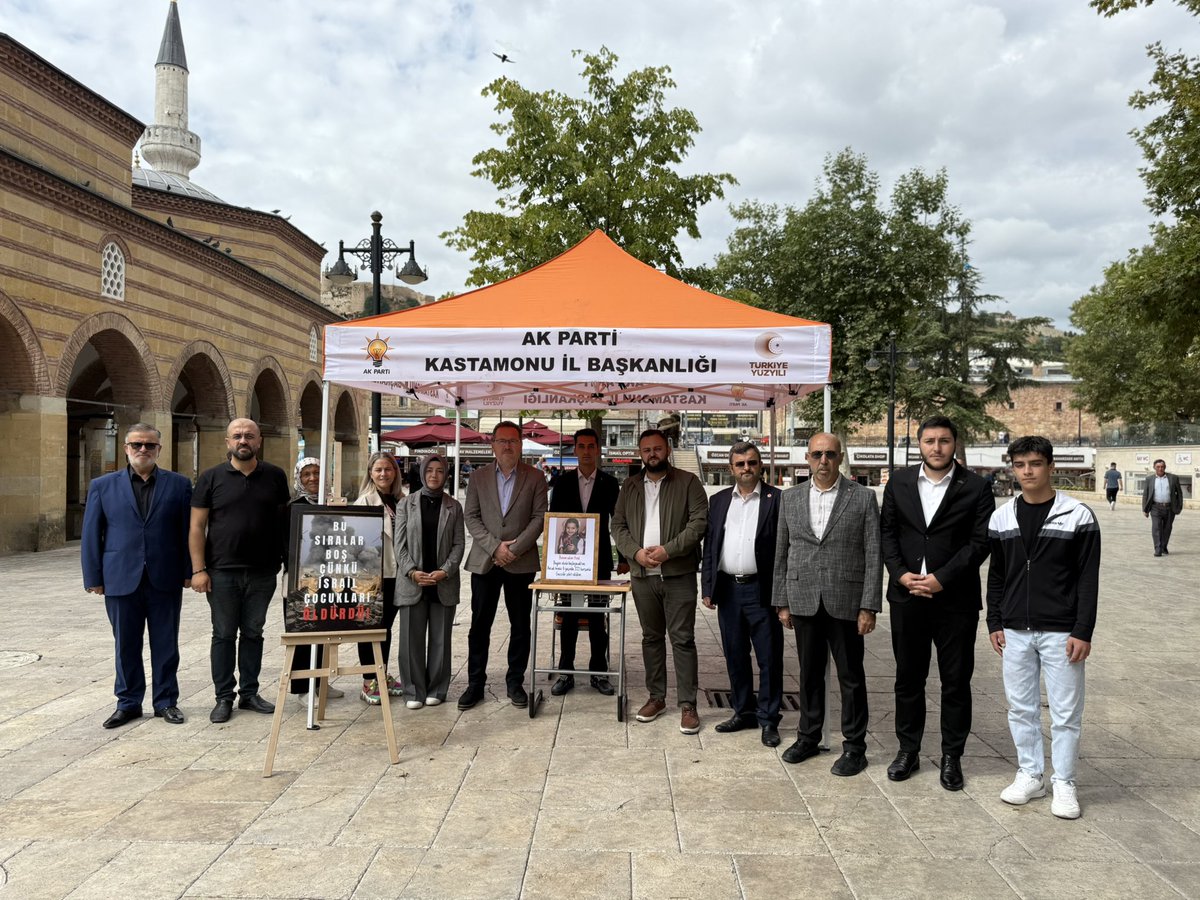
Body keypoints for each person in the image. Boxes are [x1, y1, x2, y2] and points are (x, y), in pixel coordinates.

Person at [987, 435, 1100, 819]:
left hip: (1062, 631)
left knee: (1066, 713)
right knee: (1021, 708)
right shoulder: (1002, 517)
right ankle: (1031, 774)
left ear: (1051, 466)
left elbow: (1088, 578)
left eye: (1035, 464)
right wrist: (994, 620)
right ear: (1013, 469)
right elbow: (997, 576)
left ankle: (1064, 782)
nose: (1027, 472)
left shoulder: (1078, 515)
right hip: (1015, 629)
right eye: (1020, 465)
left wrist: (1083, 629)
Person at [879, 415, 994, 791]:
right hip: (907, 595)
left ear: (955, 444)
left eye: (944, 441)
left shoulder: (977, 487)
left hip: (954, 599)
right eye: (930, 441)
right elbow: (888, 533)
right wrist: (899, 573)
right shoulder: (899, 482)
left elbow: (980, 542)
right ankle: (908, 751)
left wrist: (942, 579)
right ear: (920, 444)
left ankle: (951, 756)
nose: (937, 447)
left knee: (955, 681)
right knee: (908, 679)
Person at [773, 433, 882, 776]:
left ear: (840, 458)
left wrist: (869, 606)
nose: (824, 461)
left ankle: (854, 748)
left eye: (830, 455)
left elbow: (874, 555)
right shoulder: (790, 498)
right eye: (817, 454)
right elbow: (782, 552)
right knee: (808, 675)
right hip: (803, 598)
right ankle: (807, 736)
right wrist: (781, 601)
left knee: (851, 677)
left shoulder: (862, 498)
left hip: (846, 602)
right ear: (807, 458)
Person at [82, 424, 192, 728]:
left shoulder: (179, 485)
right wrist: (93, 576)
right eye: (137, 445)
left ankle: (166, 701)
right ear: (126, 448)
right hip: (119, 577)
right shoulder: (103, 486)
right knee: (125, 644)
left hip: (165, 577)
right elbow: (92, 532)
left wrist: (188, 570)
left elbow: (188, 532)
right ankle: (128, 703)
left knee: (166, 643)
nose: (143, 450)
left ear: (159, 449)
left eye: (150, 445)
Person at [190, 418, 290, 723]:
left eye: (249, 436)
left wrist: (289, 562)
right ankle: (224, 696)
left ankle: (249, 693)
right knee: (222, 634)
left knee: (253, 633)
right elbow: (196, 526)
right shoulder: (210, 478)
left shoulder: (274, 476)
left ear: (259, 441)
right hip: (221, 572)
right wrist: (198, 570)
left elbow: (284, 523)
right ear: (228, 442)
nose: (243, 440)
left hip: (263, 572)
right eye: (237, 436)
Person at [612, 428, 709, 735]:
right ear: (640, 454)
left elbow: (699, 523)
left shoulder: (688, 482)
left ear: (667, 449)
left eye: (656, 448)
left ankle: (688, 704)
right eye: (645, 450)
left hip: (677, 573)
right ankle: (656, 698)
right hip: (643, 576)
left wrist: (668, 550)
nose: (651, 454)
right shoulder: (629, 485)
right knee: (651, 638)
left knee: (682, 638)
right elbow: (618, 525)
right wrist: (635, 554)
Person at [459, 421, 549, 710]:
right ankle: (475, 684)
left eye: (513, 441)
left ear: (520, 445)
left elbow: (539, 518)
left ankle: (515, 682)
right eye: (502, 441)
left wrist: (515, 548)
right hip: (485, 560)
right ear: (493, 445)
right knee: (479, 625)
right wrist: (495, 547)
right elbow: (471, 516)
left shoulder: (536, 477)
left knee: (521, 625)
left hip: (521, 563)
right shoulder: (477, 477)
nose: (508, 446)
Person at [701, 441, 784, 748]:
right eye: (740, 464)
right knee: (735, 655)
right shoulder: (720, 500)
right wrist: (707, 587)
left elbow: (784, 550)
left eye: (752, 462)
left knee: (769, 658)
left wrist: (782, 595)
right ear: (731, 469)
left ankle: (769, 719)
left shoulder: (777, 499)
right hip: (728, 591)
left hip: (763, 590)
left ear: (760, 464)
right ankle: (743, 711)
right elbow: (711, 546)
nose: (747, 468)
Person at [549, 428, 624, 697]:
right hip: (568, 563)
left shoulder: (609, 482)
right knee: (567, 617)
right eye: (581, 446)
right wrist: (551, 562)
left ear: (598, 449)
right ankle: (565, 673)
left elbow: (619, 522)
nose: (587, 451)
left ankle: (598, 673)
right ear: (575, 450)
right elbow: (553, 522)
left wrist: (623, 557)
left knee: (597, 619)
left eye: (591, 446)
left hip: (599, 561)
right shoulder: (562, 483)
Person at [394, 454, 465, 709]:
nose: (434, 475)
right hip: (413, 581)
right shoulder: (406, 504)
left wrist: (445, 570)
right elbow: (398, 545)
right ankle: (413, 691)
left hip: (442, 582)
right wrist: (412, 571)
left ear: (446, 475)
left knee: (440, 638)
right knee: (410, 640)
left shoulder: (454, 507)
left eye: (439, 471)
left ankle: (437, 688)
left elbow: (459, 544)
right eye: (430, 470)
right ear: (422, 473)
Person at [286, 458, 343, 705]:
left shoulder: (333, 503)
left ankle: (320, 681)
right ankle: (303, 687)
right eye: (306, 474)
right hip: (301, 578)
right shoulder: (291, 507)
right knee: (303, 630)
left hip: (329, 577)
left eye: (317, 473)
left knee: (326, 630)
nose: (312, 478)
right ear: (299, 477)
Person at [353, 451, 405, 703]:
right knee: (369, 628)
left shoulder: (401, 500)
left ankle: (381, 673)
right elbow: (355, 545)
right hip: (372, 576)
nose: (383, 474)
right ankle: (368, 680)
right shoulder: (364, 502)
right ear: (371, 474)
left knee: (385, 628)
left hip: (397, 575)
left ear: (395, 472)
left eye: (388, 469)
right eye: (378, 470)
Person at [1141, 458, 1184, 557]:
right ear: (1154, 468)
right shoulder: (1149, 479)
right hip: (1155, 507)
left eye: (1162, 467)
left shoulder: (1173, 478)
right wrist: (1145, 509)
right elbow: (1145, 495)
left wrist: (1179, 506)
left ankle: (1164, 546)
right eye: (1158, 467)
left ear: (1165, 467)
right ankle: (1158, 549)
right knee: (1156, 528)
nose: (1160, 469)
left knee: (1167, 528)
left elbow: (1179, 494)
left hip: (1169, 508)